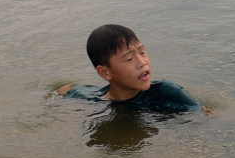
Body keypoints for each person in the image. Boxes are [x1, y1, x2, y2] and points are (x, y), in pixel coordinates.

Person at [57, 24, 204, 113]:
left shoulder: (167, 92)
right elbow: (62, 92)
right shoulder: (88, 98)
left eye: (142, 52)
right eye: (129, 59)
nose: (142, 62)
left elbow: (208, 116)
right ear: (105, 72)